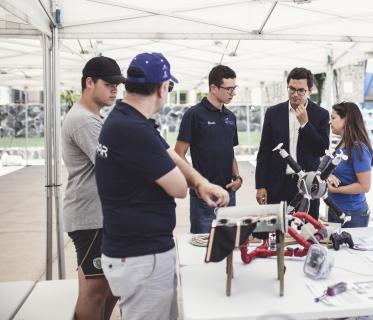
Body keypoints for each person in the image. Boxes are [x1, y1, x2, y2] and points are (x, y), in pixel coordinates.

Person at [95, 52, 229, 320]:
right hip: (141, 256)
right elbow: (178, 187)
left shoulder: (128, 118)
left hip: (137, 251)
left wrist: (200, 182)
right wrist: (191, 183)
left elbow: (170, 154)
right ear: (162, 88)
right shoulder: (132, 129)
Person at [62, 56, 125, 320]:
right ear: (89, 82)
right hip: (90, 218)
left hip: (100, 216)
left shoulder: (93, 118)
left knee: (111, 287)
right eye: (109, 84)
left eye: (117, 85)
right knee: (95, 290)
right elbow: (111, 166)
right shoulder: (84, 121)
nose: (115, 90)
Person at [255, 67, 330, 219]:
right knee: (277, 232)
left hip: (307, 185)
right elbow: (264, 151)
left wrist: (305, 125)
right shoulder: (273, 113)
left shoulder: (321, 114)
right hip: (277, 183)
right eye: (291, 89)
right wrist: (260, 185)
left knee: (307, 232)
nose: (295, 94)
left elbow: (322, 149)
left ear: (310, 90)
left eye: (301, 90)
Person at [175, 65, 241, 234]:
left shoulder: (230, 117)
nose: (233, 93)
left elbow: (230, 151)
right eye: (229, 89)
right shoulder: (194, 115)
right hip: (205, 195)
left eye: (234, 88)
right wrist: (196, 183)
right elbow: (179, 154)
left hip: (228, 193)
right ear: (213, 88)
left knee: (227, 244)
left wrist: (238, 177)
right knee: (201, 247)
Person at [326, 101, 373, 228]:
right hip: (336, 209)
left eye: (333, 118)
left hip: (352, 214)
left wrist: (335, 190)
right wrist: (329, 175)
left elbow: (365, 186)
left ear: (346, 119)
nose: (330, 122)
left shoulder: (358, 149)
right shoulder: (341, 146)